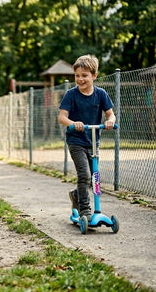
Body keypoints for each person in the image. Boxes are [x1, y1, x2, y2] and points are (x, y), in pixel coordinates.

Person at [58, 54, 116, 220]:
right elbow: (62, 117)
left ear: (94, 76)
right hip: (76, 141)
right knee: (84, 175)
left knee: (94, 177)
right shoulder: (71, 94)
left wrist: (110, 121)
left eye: (85, 75)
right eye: (77, 76)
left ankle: (77, 195)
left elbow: (111, 115)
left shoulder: (101, 94)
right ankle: (85, 210)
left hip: (93, 141)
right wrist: (73, 122)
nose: (80, 79)